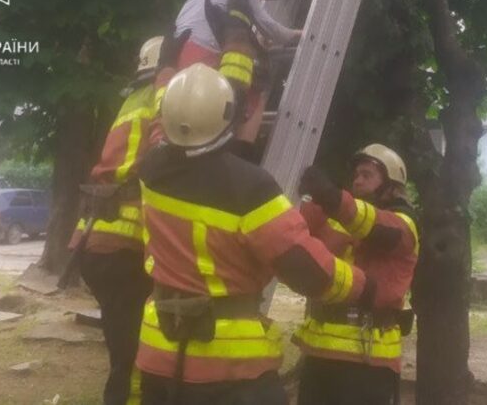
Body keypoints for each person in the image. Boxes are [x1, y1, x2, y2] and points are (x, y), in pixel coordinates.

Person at [135, 63, 375, 405]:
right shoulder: (250, 189)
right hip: (229, 368)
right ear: (228, 117)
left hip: (159, 350)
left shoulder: (151, 169)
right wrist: (362, 286)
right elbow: (307, 268)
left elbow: (180, 144)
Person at [68, 35, 185, 405]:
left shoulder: (131, 99)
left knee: (124, 348)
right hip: (123, 249)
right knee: (133, 357)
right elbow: (170, 143)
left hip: (96, 243)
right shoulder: (159, 95)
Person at [293, 144, 420, 405]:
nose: (357, 180)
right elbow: (290, 220)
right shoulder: (337, 216)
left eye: (367, 174)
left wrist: (331, 196)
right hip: (318, 352)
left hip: (368, 358)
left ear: (391, 185)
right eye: (356, 175)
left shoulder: (403, 224)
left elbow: (373, 225)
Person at [174, 0, 302, 70]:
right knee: (245, 75)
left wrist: (256, 40)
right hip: (202, 56)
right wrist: (295, 34)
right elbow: (271, 30)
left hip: (175, 54)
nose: (261, 1)